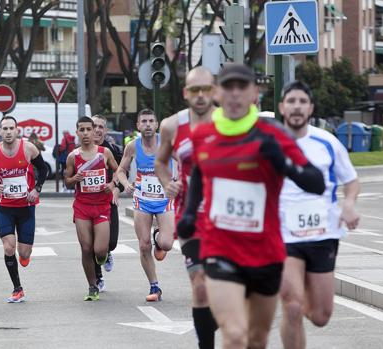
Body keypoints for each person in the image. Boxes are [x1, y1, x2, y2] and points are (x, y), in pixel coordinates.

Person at [177, 63, 325, 349]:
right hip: (219, 249)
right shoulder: (203, 135)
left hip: (265, 253)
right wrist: (189, 212)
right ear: (218, 93)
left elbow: (315, 181)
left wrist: (282, 163)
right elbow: (199, 172)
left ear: (255, 93)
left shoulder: (273, 135)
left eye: (241, 88)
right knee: (234, 336)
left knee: (256, 340)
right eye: (228, 87)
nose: (234, 94)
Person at [277, 81, 360, 349]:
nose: (296, 106)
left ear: (311, 108)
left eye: (302, 101)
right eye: (291, 101)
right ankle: (294, 309)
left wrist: (348, 204)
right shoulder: (270, 144)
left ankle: (300, 308)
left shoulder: (327, 142)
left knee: (321, 316)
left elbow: (352, 181)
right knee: (291, 306)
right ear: (282, 107)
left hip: (323, 233)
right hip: (284, 234)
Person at [155, 66, 218, 349]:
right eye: (195, 90)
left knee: (225, 288)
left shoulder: (230, 122)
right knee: (200, 285)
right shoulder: (171, 125)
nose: (201, 95)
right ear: (186, 93)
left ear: (215, 91)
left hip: (227, 217)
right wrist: (169, 183)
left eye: (206, 89)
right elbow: (160, 162)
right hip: (190, 215)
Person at [0, 116, 48, 303]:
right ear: (0, 131)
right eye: (4, 129)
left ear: (17, 130)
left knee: (24, 254)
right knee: (9, 247)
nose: (8, 132)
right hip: (5, 207)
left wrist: (37, 189)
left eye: (11, 128)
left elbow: (44, 169)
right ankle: (17, 289)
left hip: (26, 207)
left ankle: (24, 257)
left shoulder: (28, 148)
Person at [117, 109, 175, 302]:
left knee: (166, 244)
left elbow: (184, 162)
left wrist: (178, 180)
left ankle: (158, 236)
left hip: (164, 199)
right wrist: (126, 184)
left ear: (157, 125)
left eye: (151, 121)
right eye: (144, 121)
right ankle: (154, 286)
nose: (148, 124)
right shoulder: (132, 146)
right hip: (142, 199)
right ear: (138, 126)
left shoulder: (166, 143)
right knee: (143, 245)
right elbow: (120, 171)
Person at [64, 116, 120, 301]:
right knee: (86, 248)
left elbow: (118, 172)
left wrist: (112, 185)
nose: (87, 133)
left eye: (89, 129)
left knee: (100, 250)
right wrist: (75, 179)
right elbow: (67, 180)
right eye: (82, 129)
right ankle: (92, 286)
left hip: (102, 206)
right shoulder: (73, 156)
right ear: (77, 132)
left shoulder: (104, 153)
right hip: (82, 207)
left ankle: (103, 258)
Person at [92, 114, 124, 292]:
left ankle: (108, 252)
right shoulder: (82, 149)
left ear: (105, 130)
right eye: (94, 126)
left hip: (108, 200)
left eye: (100, 127)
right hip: (88, 203)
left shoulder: (113, 149)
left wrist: (117, 188)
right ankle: (98, 278)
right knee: (91, 244)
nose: (97, 130)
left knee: (110, 243)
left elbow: (122, 169)